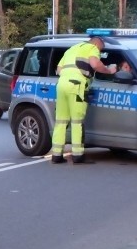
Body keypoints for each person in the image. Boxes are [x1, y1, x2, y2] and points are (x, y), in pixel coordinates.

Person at [50, 32, 116, 164]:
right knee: (77, 121)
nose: (100, 51)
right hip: (76, 85)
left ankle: (56, 155)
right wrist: (109, 71)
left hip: (61, 85)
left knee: (61, 121)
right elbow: (95, 64)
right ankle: (77, 155)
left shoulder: (72, 49)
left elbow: (58, 69)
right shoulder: (92, 48)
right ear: (97, 44)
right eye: (101, 49)